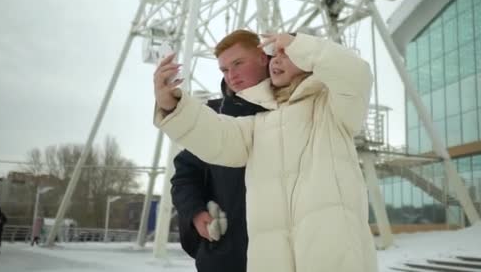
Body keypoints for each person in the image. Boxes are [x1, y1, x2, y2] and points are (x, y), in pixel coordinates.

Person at [154, 32, 378, 272]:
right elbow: (218, 137)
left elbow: (355, 74)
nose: (277, 60)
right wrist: (172, 104)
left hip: (332, 258)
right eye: (276, 54)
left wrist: (297, 43)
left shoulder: (332, 108)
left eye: (286, 53)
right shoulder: (258, 124)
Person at [170, 29, 270, 272]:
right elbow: (184, 175)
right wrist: (196, 213)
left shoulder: (293, 113)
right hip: (225, 259)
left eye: (238, 63)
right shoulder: (213, 118)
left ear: (263, 57)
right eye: (224, 70)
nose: (231, 76)